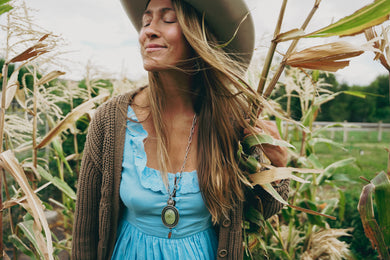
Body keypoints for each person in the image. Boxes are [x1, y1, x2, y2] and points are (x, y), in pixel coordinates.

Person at [72, 0, 289, 259]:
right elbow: (85, 231)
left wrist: (276, 168)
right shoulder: (111, 119)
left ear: (198, 36)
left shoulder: (231, 120)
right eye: (146, 21)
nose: (148, 31)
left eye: (168, 19)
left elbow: (262, 210)